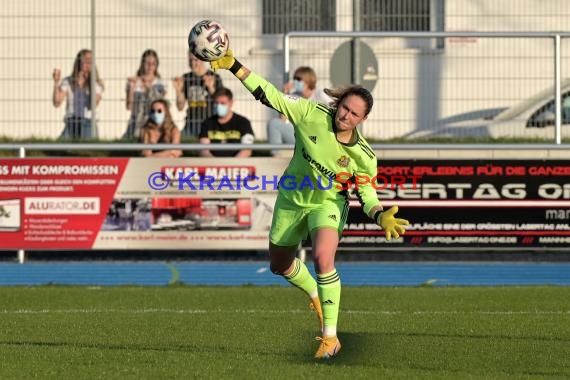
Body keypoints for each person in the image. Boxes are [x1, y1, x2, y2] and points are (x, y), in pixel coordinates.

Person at [210, 50, 409, 359]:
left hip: (328, 203)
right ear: (339, 103)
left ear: (363, 120)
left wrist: (380, 214)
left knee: (323, 258)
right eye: (345, 108)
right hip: (292, 197)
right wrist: (234, 66)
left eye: (354, 114)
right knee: (279, 264)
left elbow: (366, 194)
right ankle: (316, 293)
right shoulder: (312, 113)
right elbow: (272, 96)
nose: (345, 116)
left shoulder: (364, 156)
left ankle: (330, 338)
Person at [267, 66, 332, 156]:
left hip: (318, 136)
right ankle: (276, 157)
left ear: (308, 80)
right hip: (301, 134)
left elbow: (334, 110)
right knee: (274, 123)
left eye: (298, 79)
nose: (295, 82)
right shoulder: (295, 96)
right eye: (294, 78)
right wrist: (284, 93)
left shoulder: (320, 95)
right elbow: (283, 120)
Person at [52, 49, 104, 139]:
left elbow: (93, 105)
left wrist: (90, 81)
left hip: (88, 122)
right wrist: (56, 82)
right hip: (72, 121)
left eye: (91, 60)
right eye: (86, 59)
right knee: (58, 150)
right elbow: (57, 102)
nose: (88, 62)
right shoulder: (68, 81)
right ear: (79, 62)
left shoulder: (97, 84)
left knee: (88, 149)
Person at [173, 52, 223, 138]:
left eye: (196, 60)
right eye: (190, 60)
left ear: (203, 59)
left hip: (209, 122)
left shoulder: (214, 77)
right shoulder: (186, 78)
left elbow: (221, 103)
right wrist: (178, 91)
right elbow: (180, 107)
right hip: (191, 123)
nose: (192, 63)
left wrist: (211, 88)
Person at [198, 87, 254, 158]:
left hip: (237, 165)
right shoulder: (207, 123)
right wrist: (216, 165)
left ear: (231, 103)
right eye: (216, 103)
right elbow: (204, 150)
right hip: (213, 166)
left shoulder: (243, 122)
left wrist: (231, 166)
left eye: (223, 103)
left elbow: (246, 150)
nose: (219, 106)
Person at [125, 49, 166, 139]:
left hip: (154, 122)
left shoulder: (160, 83)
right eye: (147, 63)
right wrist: (131, 89)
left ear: (156, 65)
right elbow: (129, 106)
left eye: (153, 63)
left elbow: (161, 105)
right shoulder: (134, 81)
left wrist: (149, 88)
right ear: (142, 64)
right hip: (136, 122)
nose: (150, 66)